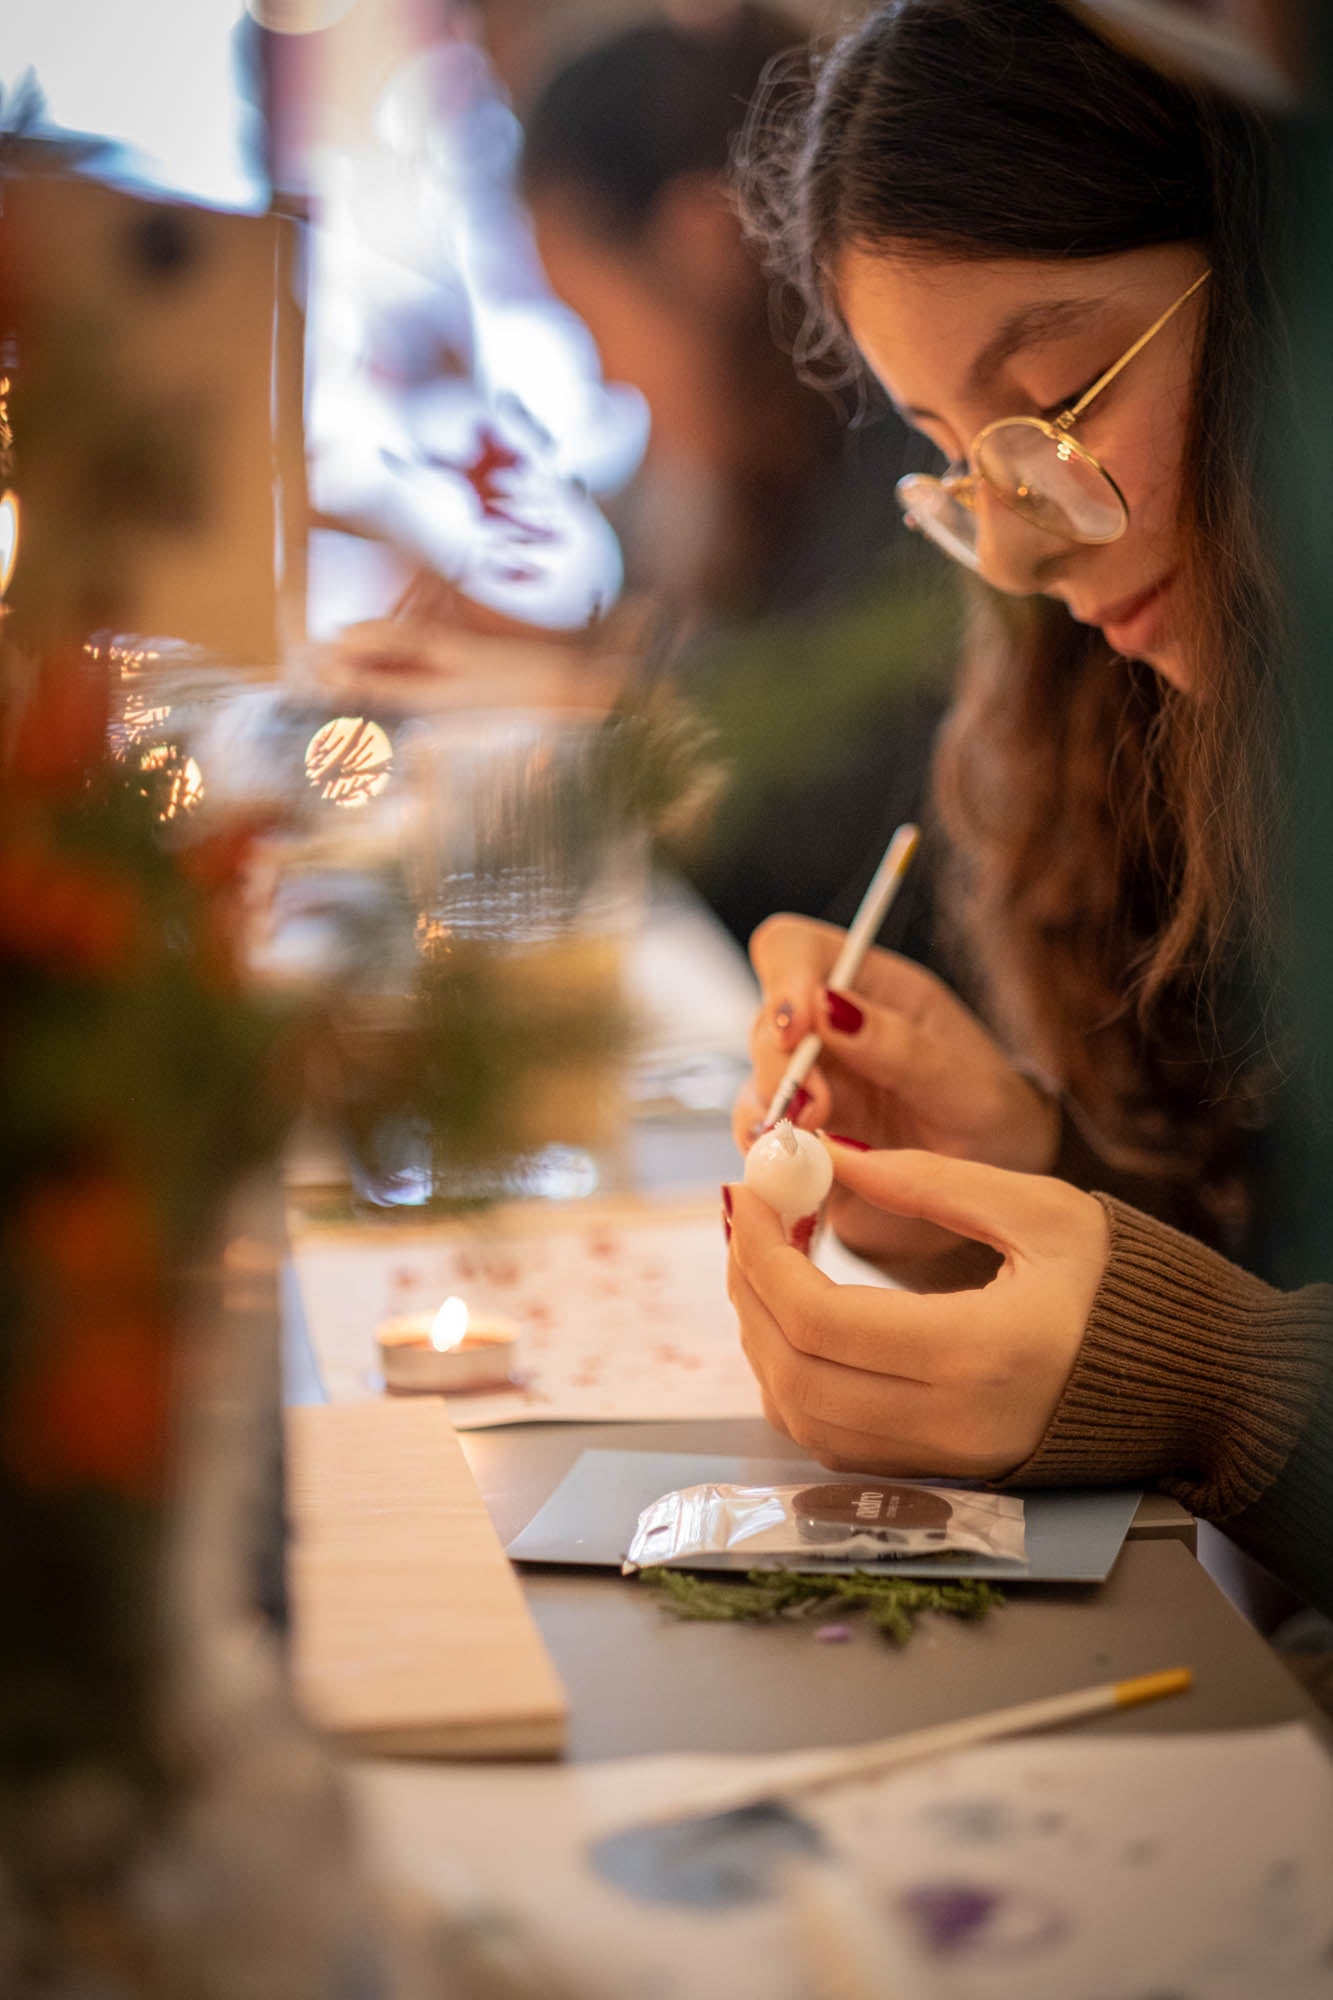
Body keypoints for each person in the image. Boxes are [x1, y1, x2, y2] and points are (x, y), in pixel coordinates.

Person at [723, 0, 1332, 1616]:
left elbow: (1257, 1367)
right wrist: (1015, 1180)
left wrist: (1213, 1384)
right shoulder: (1146, 728)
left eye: (1051, 408)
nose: (1012, 552)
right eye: (952, 460)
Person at [520, 5, 952, 952]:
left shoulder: (909, 466)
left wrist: (558, 714)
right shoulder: (751, 475)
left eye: (594, 317)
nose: (604, 373)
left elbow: (808, 827)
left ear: (696, 244)